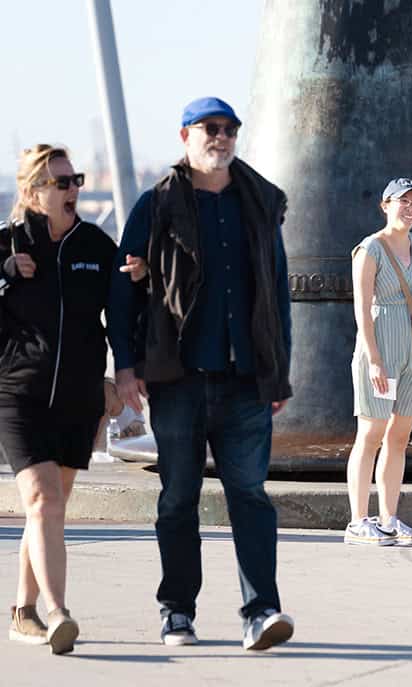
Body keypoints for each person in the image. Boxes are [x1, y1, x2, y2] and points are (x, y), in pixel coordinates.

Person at [107, 97, 295, 650]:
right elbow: (123, 290)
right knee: (178, 497)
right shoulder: (156, 204)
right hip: (177, 378)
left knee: (250, 497)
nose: (222, 137)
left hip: (244, 380)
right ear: (185, 135)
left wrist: (277, 370)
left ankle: (262, 611)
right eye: (211, 129)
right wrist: (124, 365)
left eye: (230, 128)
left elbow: (277, 291)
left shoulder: (257, 202)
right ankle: (177, 611)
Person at [0, 145, 116, 654]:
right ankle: (58, 612)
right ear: (34, 191)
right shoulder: (8, 245)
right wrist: (3, 269)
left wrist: (118, 379)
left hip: (77, 396)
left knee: (48, 508)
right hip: (18, 394)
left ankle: (22, 613)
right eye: (62, 182)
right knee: (44, 500)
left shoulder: (96, 245)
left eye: (76, 180)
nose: (74, 190)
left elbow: (122, 318)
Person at [345, 178, 412, 546]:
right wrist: (374, 359)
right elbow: (361, 306)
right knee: (371, 432)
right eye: (403, 201)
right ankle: (358, 519)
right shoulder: (370, 249)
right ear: (385, 204)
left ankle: (389, 517)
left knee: (399, 436)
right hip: (381, 348)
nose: (411, 208)